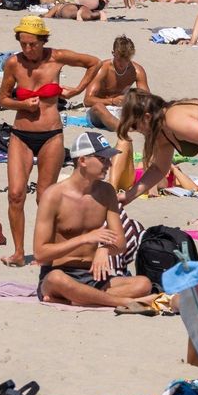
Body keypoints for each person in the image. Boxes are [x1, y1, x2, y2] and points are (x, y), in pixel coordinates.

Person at [0, 16, 99, 267]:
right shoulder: (13, 63)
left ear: (43, 40)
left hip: (51, 135)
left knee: (44, 197)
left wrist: (78, 90)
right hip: (21, 135)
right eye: (23, 44)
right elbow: (3, 100)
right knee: (15, 194)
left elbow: (94, 63)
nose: (28, 49)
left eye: (32, 44)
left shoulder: (57, 57)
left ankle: (44, 253)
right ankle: (18, 252)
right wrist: (22, 104)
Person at [33, 131, 155, 307]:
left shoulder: (107, 192)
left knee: (143, 284)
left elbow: (120, 243)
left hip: (92, 276)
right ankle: (121, 301)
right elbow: (40, 253)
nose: (109, 164)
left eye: (108, 159)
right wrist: (84, 239)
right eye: (102, 159)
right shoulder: (53, 196)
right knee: (57, 279)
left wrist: (104, 249)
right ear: (82, 160)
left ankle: (78, 298)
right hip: (58, 272)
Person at [117, 90, 198, 233]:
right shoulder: (162, 132)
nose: (135, 131)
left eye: (134, 126)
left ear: (147, 117)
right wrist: (129, 196)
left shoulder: (172, 117)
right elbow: (159, 169)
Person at [84, 36, 149, 131]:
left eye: (126, 60)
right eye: (119, 60)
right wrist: (112, 101)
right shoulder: (102, 69)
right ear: (113, 53)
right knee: (98, 107)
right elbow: (87, 101)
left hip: (122, 110)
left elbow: (147, 99)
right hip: (101, 111)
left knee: (147, 107)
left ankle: (127, 126)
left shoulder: (137, 71)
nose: (122, 64)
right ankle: (123, 129)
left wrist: (131, 102)